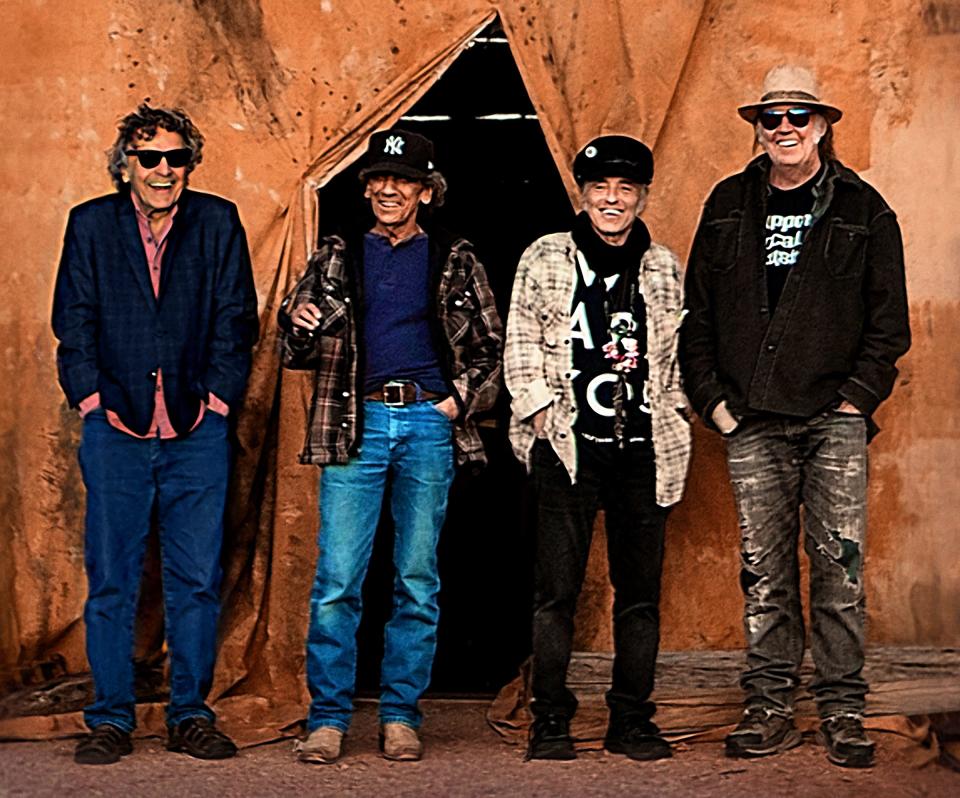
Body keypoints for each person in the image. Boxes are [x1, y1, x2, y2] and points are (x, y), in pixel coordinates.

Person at [680, 65, 911, 768]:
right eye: (771, 117)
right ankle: (769, 707)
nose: (784, 128)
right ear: (759, 127)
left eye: (798, 117)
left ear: (823, 126)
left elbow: (889, 324)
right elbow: (696, 320)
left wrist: (854, 401)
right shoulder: (726, 205)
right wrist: (715, 405)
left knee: (838, 572)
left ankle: (843, 710)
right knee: (765, 572)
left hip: (833, 420)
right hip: (751, 421)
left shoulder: (864, 211)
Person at [278, 128, 503, 764]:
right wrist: (297, 323)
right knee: (338, 578)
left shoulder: (454, 257)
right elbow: (294, 346)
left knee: (416, 577)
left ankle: (401, 714)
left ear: (426, 191)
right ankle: (328, 717)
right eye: (377, 178)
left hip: (429, 423)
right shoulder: (338, 254)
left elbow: (494, 349)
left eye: (401, 179)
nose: (386, 188)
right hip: (358, 422)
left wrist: (458, 402)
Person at [52, 104, 259, 764]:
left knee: (196, 579)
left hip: (197, 428)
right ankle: (109, 719)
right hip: (116, 428)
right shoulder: (90, 224)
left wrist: (221, 402)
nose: (164, 169)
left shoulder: (218, 221)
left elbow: (237, 321)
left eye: (176, 158)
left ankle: (189, 715)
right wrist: (93, 401)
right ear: (125, 166)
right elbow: (72, 323)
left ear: (190, 165)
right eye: (150, 158)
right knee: (112, 579)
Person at [504, 135, 692, 761]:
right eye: (600, 188)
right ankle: (550, 721)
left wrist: (677, 411)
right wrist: (539, 417)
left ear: (641, 196)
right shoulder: (547, 257)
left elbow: (677, 354)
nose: (612, 199)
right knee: (557, 590)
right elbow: (521, 342)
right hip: (568, 443)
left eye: (625, 189)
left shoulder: (662, 265)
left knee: (639, 595)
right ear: (582, 194)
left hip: (643, 447)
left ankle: (631, 720)